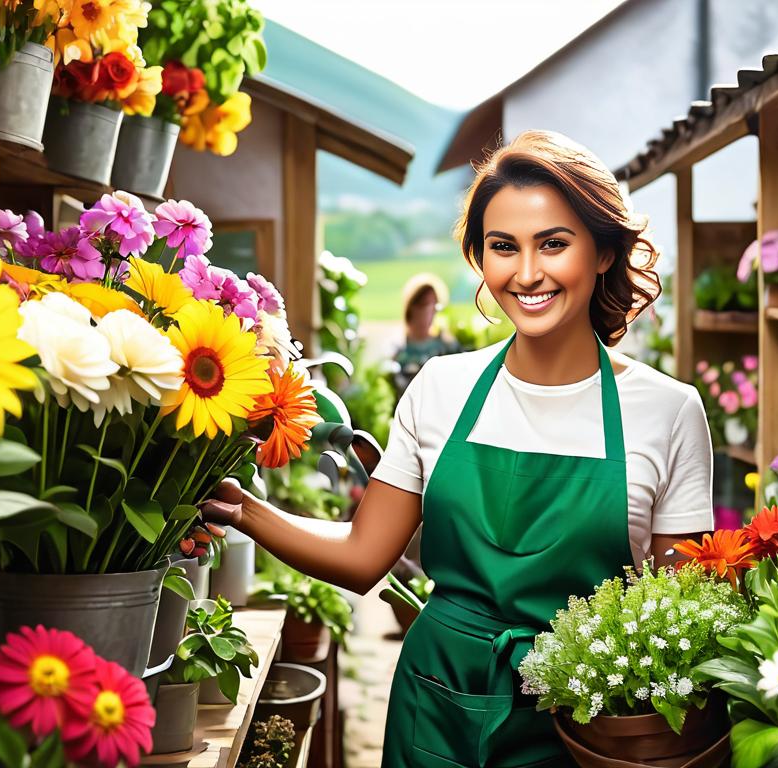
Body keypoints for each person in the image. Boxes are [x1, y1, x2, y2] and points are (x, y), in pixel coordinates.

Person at [200, 130, 714, 767]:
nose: (527, 274)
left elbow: (678, 618)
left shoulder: (668, 411)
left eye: (554, 244)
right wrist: (243, 509)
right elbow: (365, 555)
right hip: (435, 703)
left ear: (604, 252)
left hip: (581, 724)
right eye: (503, 248)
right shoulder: (441, 388)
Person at [392, 273, 460, 397]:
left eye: (434, 306)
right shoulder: (397, 350)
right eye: (424, 305)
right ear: (411, 308)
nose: (429, 312)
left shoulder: (447, 346)